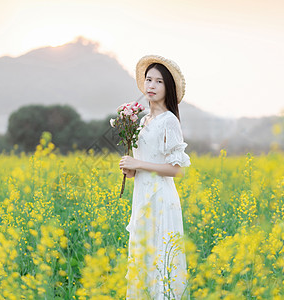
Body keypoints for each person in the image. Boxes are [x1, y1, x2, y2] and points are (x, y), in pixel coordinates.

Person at [119, 55, 191, 299]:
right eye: (148, 80)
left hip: (161, 198)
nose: (151, 85)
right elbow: (147, 162)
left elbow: (175, 169)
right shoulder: (142, 120)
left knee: (160, 257)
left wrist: (138, 163)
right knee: (143, 257)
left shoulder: (169, 121)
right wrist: (132, 170)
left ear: (167, 87)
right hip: (142, 196)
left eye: (158, 82)